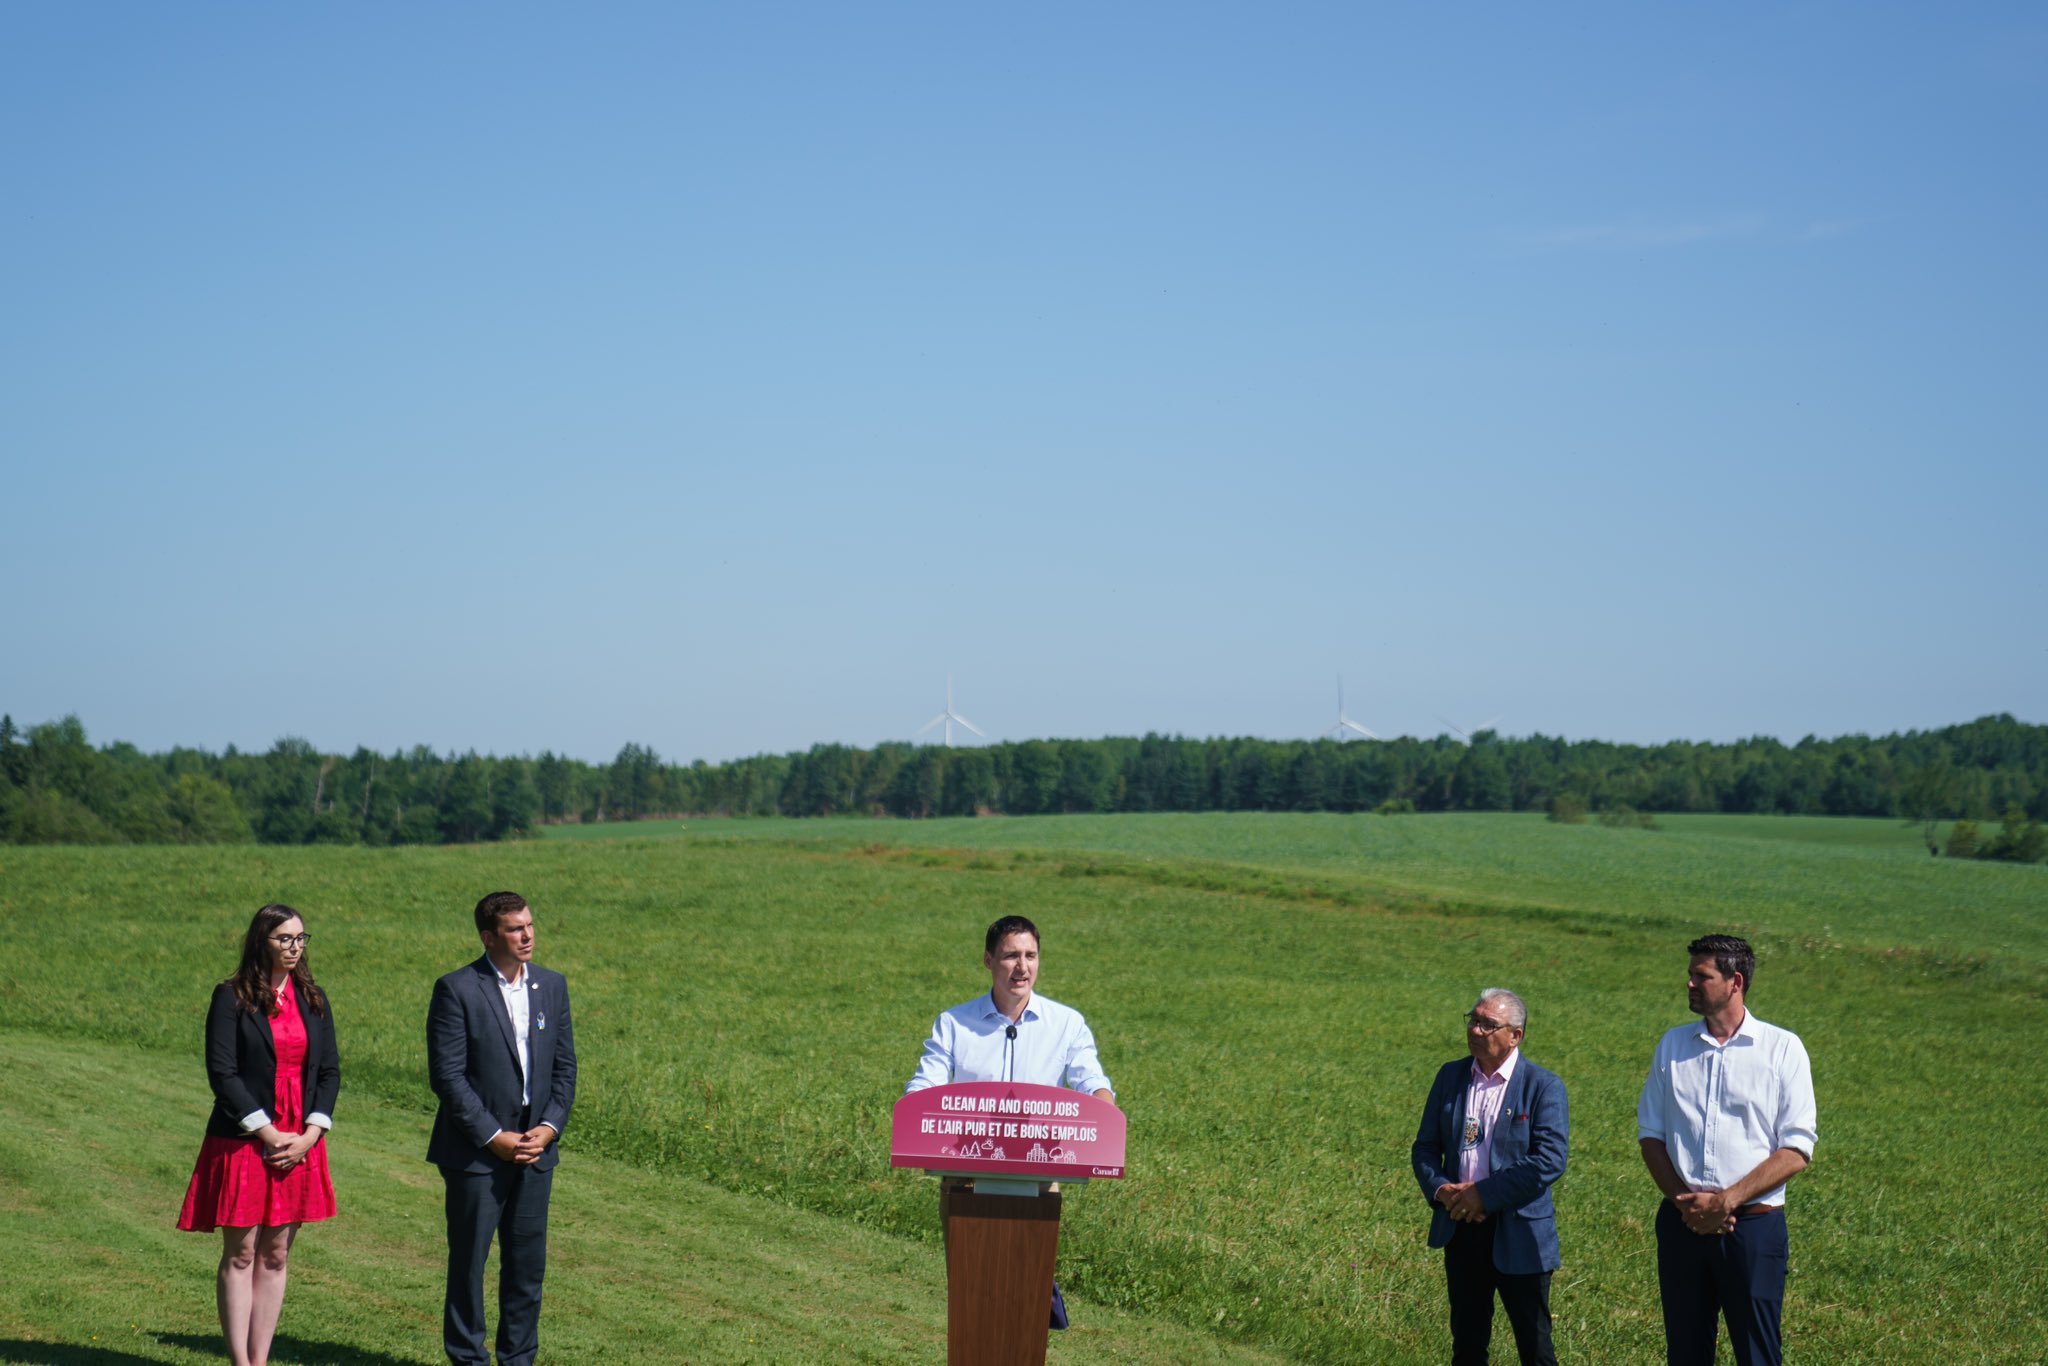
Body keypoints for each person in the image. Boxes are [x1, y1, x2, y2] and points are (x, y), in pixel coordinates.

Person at [905, 915, 1113, 1328]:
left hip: (1037, 1183)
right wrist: (915, 1108)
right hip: (965, 1184)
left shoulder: (1067, 1023)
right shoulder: (954, 1023)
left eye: (1031, 956)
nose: (1022, 967)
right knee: (976, 1304)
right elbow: (924, 1084)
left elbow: (1094, 1083)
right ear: (988, 961)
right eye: (1011, 956)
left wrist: (1104, 1110)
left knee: (1023, 1306)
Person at [1638, 934, 1816, 1366]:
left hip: (1752, 1232)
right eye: (1690, 975)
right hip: (1682, 1226)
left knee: (1757, 1354)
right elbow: (1651, 1135)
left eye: (1702, 976)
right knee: (1685, 1352)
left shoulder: (1781, 1049)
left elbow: (1796, 1148)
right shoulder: (1673, 1046)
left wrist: (1725, 1202)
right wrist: (1687, 1205)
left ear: (1735, 981)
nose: (1690, 984)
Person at [177, 903, 339, 1366]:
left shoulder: (314, 998)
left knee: (276, 1254)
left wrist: (310, 1135)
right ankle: (240, 1363)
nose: (294, 947)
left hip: (300, 1139)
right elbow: (222, 1073)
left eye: (301, 939)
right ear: (260, 941)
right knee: (243, 1251)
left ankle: (260, 1359)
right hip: (245, 1137)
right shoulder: (230, 997)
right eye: (284, 939)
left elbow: (328, 1073)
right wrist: (269, 1134)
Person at [427, 891, 577, 1366]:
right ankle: (468, 1358)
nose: (527, 935)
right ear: (489, 936)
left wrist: (549, 1127)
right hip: (476, 1155)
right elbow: (447, 1077)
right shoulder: (457, 988)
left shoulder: (551, 986)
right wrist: (494, 1138)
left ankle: (518, 1359)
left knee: (527, 1269)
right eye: (515, 928)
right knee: (470, 1266)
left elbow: (565, 1069)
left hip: (536, 1152)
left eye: (530, 925)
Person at [1411, 988, 1569, 1366]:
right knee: (1467, 1344)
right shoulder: (1451, 1076)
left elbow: (1549, 1160)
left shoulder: (1542, 1086)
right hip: (1461, 1227)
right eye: (1473, 1020)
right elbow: (1425, 1148)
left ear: (1515, 1035)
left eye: (1487, 1024)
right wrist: (1443, 1190)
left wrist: (1484, 1195)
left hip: (1520, 1234)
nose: (1476, 1030)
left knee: (1535, 1349)